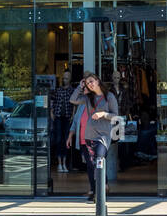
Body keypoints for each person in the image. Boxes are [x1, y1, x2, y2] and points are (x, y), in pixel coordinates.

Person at [70, 71, 122, 202]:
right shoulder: (89, 98)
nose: (90, 84)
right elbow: (73, 100)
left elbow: (116, 116)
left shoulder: (109, 96)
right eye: (87, 83)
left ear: (98, 81)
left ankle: (100, 191)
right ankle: (97, 191)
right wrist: (80, 87)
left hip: (103, 136)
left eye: (91, 81)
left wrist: (103, 114)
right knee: (92, 164)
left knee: (99, 159)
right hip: (89, 136)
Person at [49, 74, 74, 174]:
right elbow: (52, 101)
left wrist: (73, 115)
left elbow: (74, 104)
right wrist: (52, 113)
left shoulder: (72, 90)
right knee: (59, 139)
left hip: (67, 117)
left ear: (70, 79)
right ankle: (60, 163)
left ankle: (64, 163)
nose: (64, 80)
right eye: (63, 78)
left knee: (66, 139)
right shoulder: (58, 90)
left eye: (66, 78)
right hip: (58, 116)